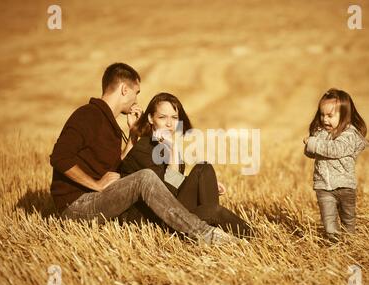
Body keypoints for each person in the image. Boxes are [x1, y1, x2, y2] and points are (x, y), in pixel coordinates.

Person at [49, 62, 239, 245]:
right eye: (136, 93)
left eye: (174, 118)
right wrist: (96, 185)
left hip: (98, 200)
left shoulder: (109, 123)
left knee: (200, 176)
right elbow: (60, 157)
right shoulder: (88, 115)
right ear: (124, 89)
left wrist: (132, 136)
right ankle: (204, 234)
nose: (136, 101)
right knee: (145, 177)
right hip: (77, 206)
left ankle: (217, 229)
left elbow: (118, 168)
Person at [120, 92, 253, 238]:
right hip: (161, 219)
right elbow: (166, 194)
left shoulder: (163, 146)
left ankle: (208, 232)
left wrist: (203, 183)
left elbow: (175, 183)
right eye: (162, 117)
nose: (169, 124)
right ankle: (255, 237)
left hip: (176, 211)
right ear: (151, 118)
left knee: (204, 168)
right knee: (214, 211)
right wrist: (173, 151)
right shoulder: (143, 149)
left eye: (174, 118)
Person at [303, 88, 369, 242]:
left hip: (345, 186)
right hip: (323, 187)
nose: (325, 119)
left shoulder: (349, 134)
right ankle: (335, 245)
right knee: (329, 222)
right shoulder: (321, 133)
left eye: (330, 116)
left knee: (348, 219)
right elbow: (312, 154)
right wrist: (309, 146)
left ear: (344, 115)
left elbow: (335, 150)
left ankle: (350, 243)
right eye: (322, 115)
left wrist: (313, 143)